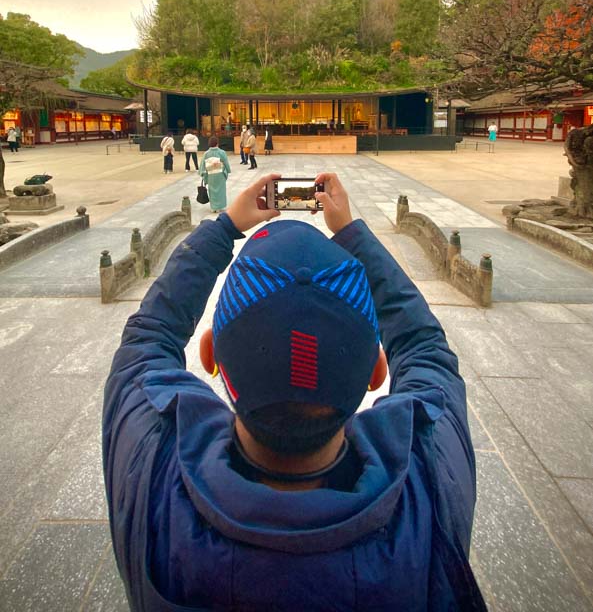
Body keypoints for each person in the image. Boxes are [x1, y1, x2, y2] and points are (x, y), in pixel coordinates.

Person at [103, 172, 486, 612]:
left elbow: (147, 338)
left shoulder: (151, 469)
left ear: (211, 357)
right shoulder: (429, 482)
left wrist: (225, 227)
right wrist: (351, 233)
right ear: (376, 372)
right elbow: (424, 347)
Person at [199, 135, 231, 213]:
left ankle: (213, 207)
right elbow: (226, 162)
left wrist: (202, 172)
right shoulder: (222, 152)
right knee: (221, 190)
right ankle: (220, 206)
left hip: (210, 174)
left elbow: (202, 165)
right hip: (220, 173)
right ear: (217, 143)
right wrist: (228, 170)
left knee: (212, 190)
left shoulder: (206, 154)